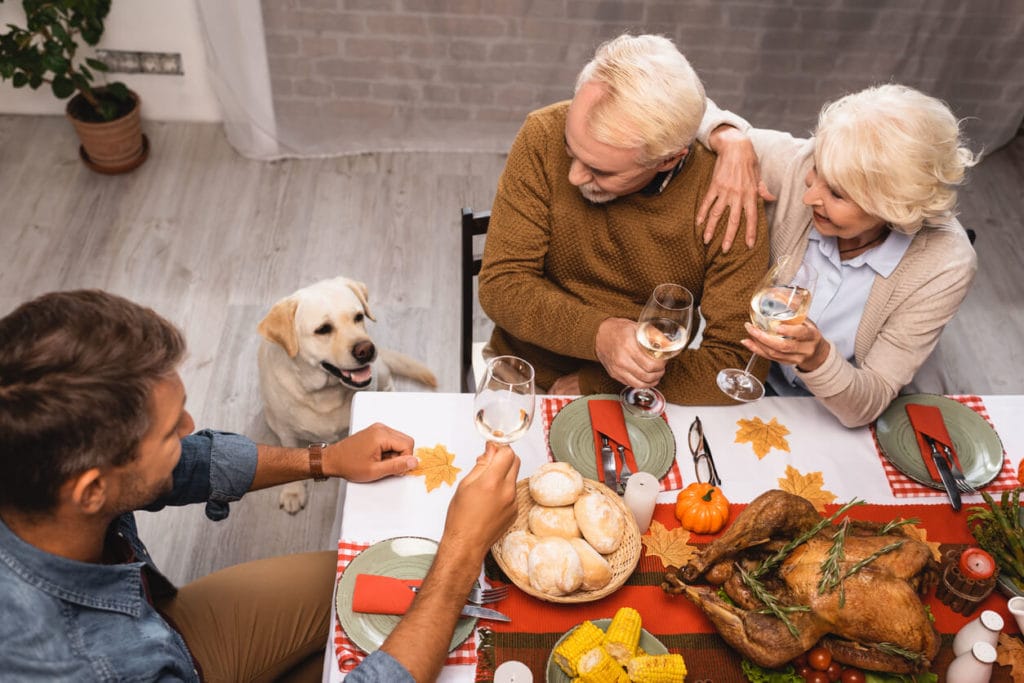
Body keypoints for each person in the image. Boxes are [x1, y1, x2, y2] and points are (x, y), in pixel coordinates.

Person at [0, 289, 519, 682]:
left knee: (371, 580)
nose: (190, 427)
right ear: (91, 490)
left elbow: (191, 464)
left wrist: (326, 459)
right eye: (169, 430)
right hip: (146, 659)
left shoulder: (37, 461)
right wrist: (463, 550)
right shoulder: (81, 663)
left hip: (168, 627)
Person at [477, 33, 770, 402]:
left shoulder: (725, 192)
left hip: (649, 386)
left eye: (601, 171)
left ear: (668, 159)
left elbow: (737, 364)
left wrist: (603, 383)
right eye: (571, 151)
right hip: (525, 372)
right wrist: (599, 336)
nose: (575, 178)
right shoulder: (542, 135)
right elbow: (502, 285)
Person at [697, 84, 978, 427]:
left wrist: (817, 357)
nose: (808, 197)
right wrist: (731, 141)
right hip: (742, 385)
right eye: (816, 175)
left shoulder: (945, 263)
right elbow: (686, 108)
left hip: (831, 413)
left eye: (836, 194)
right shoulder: (798, 165)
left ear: (892, 207)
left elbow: (868, 403)